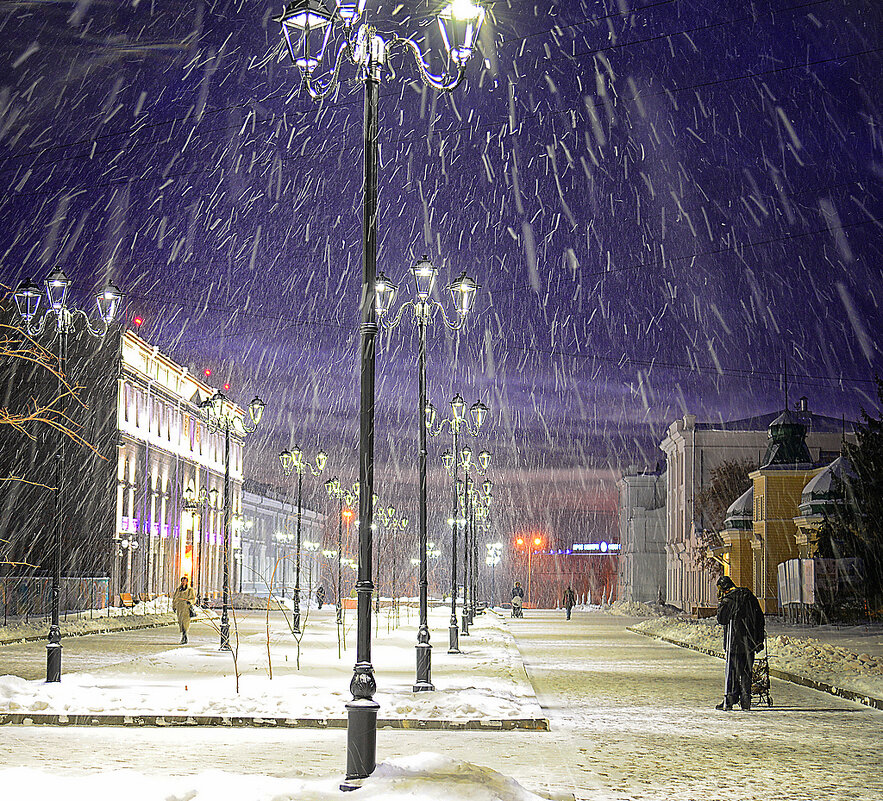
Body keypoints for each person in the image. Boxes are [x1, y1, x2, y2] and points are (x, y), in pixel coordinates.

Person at [715, 575, 764, 711]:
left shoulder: (730, 600)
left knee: (732, 671)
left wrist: (722, 605)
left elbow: (722, 619)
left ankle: (730, 698)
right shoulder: (749, 597)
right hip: (749, 641)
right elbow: (759, 618)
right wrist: (759, 639)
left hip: (735, 642)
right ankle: (745, 698)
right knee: (746, 671)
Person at [172, 575, 196, 644]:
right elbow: (175, 598)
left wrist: (190, 602)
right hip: (179, 608)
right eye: (182, 581)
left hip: (186, 608)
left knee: (185, 623)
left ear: (187, 582)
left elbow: (193, 598)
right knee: (181, 623)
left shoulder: (190, 590)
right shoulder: (178, 589)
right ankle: (184, 637)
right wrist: (174, 606)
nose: (183, 582)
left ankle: (184, 637)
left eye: (184, 581)